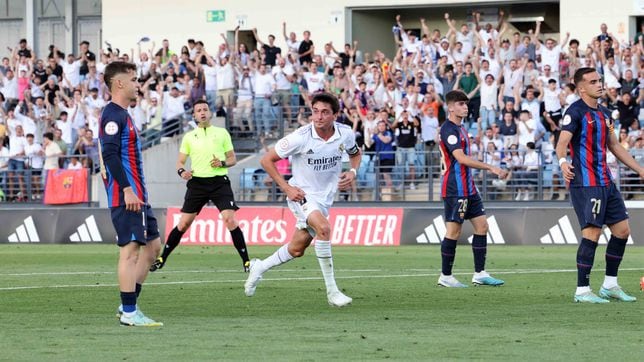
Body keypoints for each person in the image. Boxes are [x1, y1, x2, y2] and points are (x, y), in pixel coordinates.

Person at [244, 92, 361, 307]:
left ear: (335, 114)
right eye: (315, 111)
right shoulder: (300, 137)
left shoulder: (345, 134)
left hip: (325, 199)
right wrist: (287, 187)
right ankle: (332, 292)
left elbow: (355, 153)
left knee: (297, 249)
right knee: (324, 229)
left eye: (325, 112)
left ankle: (259, 267)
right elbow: (266, 160)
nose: (319, 117)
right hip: (301, 195)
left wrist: (353, 172)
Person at [556, 67, 644, 303]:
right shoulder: (573, 112)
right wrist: (563, 162)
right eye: (593, 81)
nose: (599, 84)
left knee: (622, 231)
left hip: (606, 181)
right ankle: (582, 290)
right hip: (585, 183)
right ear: (581, 87)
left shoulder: (605, 114)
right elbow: (561, 143)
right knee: (592, 234)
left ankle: (610, 285)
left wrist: (640, 170)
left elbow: (614, 146)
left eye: (600, 80)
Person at [149, 99, 250, 272]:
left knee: (230, 219)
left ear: (210, 113)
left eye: (205, 109)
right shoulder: (189, 137)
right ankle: (162, 258)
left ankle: (247, 262)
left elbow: (233, 159)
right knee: (183, 224)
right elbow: (179, 163)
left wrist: (223, 163)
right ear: (194, 115)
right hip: (197, 184)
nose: (202, 112)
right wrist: (183, 173)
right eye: (199, 110)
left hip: (219, 182)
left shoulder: (222, 133)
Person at [98, 61, 162, 326]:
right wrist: (126, 190)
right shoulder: (113, 115)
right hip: (127, 196)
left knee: (153, 248)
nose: (139, 84)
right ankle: (129, 312)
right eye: (134, 79)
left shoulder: (124, 114)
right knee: (131, 251)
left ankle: (128, 302)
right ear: (119, 83)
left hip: (139, 196)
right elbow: (110, 155)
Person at [437, 90, 508, 288]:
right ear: (451, 107)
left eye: (466, 104)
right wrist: (490, 167)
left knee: (482, 226)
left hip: (469, 187)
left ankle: (480, 273)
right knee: (453, 231)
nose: (465, 107)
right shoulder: (449, 130)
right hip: (455, 188)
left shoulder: (461, 129)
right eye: (461, 104)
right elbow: (460, 158)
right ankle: (445, 276)